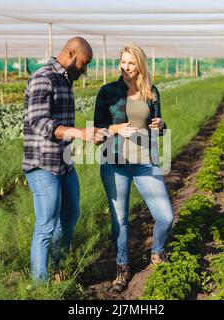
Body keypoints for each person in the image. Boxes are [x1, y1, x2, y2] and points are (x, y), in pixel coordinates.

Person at [23, 36, 107, 284]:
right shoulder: (43, 78)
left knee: (70, 215)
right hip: (42, 164)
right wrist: (81, 133)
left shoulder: (65, 81)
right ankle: (41, 284)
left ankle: (59, 268)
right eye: (84, 63)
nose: (85, 69)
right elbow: (38, 123)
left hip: (63, 163)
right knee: (46, 225)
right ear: (70, 54)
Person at [94, 43, 174, 293]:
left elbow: (159, 128)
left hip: (144, 162)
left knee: (166, 216)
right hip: (114, 164)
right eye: (123, 62)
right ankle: (122, 267)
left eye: (131, 62)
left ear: (140, 65)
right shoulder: (108, 91)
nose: (126, 67)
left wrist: (161, 125)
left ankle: (157, 253)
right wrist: (116, 129)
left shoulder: (152, 92)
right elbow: (97, 130)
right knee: (120, 220)